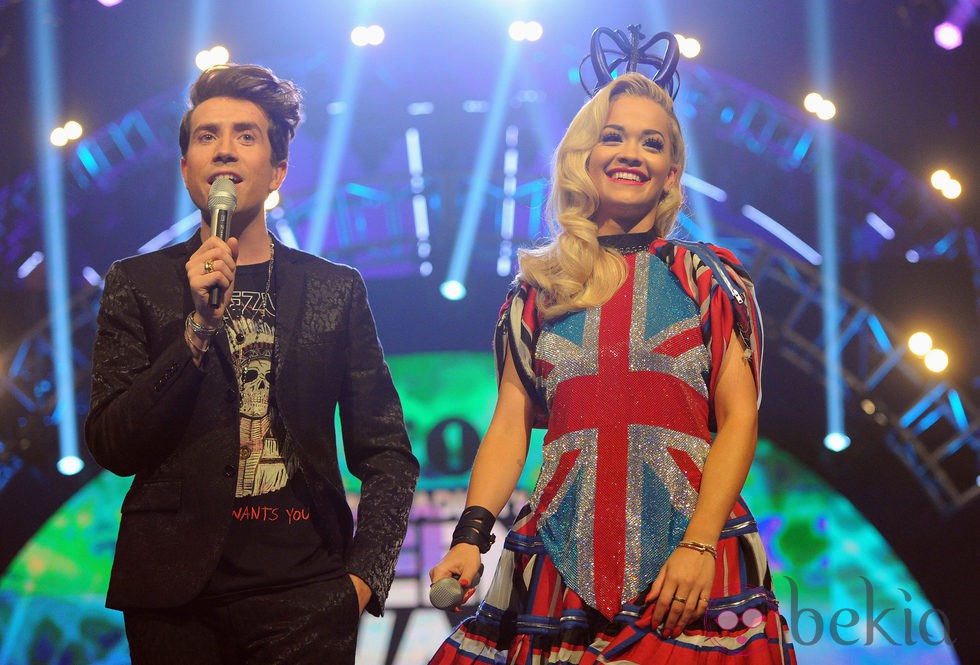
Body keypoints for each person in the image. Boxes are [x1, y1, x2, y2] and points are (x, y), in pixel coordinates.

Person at [427, 43, 796, 664]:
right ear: (583, 158)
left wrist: (700, 545)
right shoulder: (538, 292)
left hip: (690, 565)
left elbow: (740, 417)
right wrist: (471, 537)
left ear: (673, 174)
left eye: (652, 144)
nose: (631, 153)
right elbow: (511, 424)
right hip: (557, 565)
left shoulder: (704, 277)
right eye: (614, 136)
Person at [85, 63, 419, 665]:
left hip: (306, 592)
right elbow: (113, 444)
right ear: (186, 167)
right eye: (206, 137)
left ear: (278, 170)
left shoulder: (333, 290)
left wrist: (361, 580)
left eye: (246, 135)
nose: (223, 152)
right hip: (173, 602)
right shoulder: (139, 283)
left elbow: (387, 452)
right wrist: (196, 332)